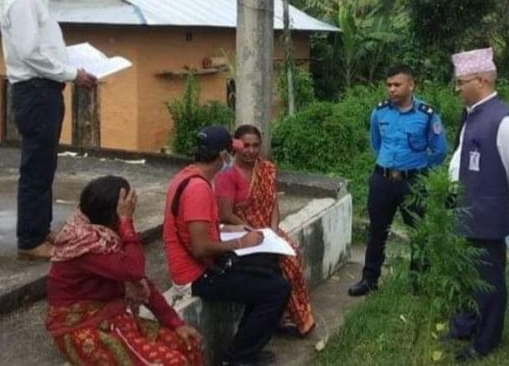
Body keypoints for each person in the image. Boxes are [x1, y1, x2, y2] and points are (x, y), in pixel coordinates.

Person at [2, 0, 97, 259]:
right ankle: (30, 240)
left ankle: (40, 229)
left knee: (44, 166)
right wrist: (71, 73)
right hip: (36, 91)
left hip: (43, 90)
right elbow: (30, 53)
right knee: (36, 169)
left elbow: (40, 47)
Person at [162, 126, 291, 366]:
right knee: (277, 289)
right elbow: (200, 248)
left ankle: (245, 348)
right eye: (232, 152)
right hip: (197, 276)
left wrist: (236, 230)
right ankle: (239, 358)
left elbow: (202, 229)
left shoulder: (188, 176)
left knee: (268, 264)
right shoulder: (198, 189)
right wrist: (241, 242)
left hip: (204, 264)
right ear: (223, 155)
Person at [46, 176, 203, 366]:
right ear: (115, 213)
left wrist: (176, 324)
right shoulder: (84, 242)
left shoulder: (106, 235)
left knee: (187, 343)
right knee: (173, 363)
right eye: (128, 206)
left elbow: (143, 284)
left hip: (112, 317)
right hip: (84, 326)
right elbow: (133, 270)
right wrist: (127, 222)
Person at [444, 48, 509, 362]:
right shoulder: (471, 116)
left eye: (461, 82)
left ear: (481, 80)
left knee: (488, 279)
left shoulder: (504, 122)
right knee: (465, 272)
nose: (457, 88)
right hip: (465, 209)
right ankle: (464, 325)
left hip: (488, 212)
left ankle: (486, 339)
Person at [348, 64, 448, 297]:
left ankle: (418, 283)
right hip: (382, 180)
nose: (392, 89)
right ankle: (369, 279)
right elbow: (376, 143)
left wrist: (420, 169)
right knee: (376, 231)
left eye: (397, 84)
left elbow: (439, 150)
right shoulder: (379, 112)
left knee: (418, 233)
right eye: (389, 85)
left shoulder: (426, 115)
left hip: (413, 182)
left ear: (411, 85)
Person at [214, 124, 316, 337]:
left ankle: (292, 315)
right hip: (242, 233)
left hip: (267, 232)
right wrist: (254, 232)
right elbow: (225, 215)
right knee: (279, 264)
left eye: (256, 145)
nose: (251, 151)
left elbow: (273, 204)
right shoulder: (227, 175)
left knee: (293, 254)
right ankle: (288, 316)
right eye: (246, 145)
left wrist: (272, 231)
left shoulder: (266, 168)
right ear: (236, 146)